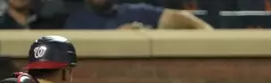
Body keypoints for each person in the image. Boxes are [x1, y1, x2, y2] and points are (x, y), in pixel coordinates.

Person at [64, 0, 213, 30]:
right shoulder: (76, 23)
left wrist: (209, 33)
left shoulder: (134, 12)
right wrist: (118, 39)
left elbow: (175, 18)